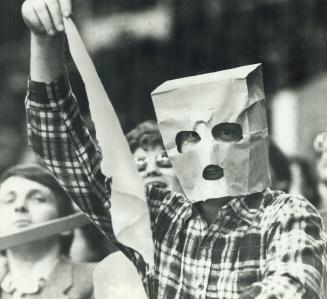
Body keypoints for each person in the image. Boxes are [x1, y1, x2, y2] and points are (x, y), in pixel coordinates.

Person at [22, 1, 326, 298]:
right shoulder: (157, 217)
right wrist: (44, 39)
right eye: (191, 137)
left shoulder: (285, 214)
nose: (209, 148)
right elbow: (62, 147)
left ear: (254, 138)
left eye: (226, 133)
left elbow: (295, 285)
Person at [0, 164, 95, 299]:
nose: (19, 206)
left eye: (37, 199)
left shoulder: (98, 278)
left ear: (66, 224)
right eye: (9, 200)